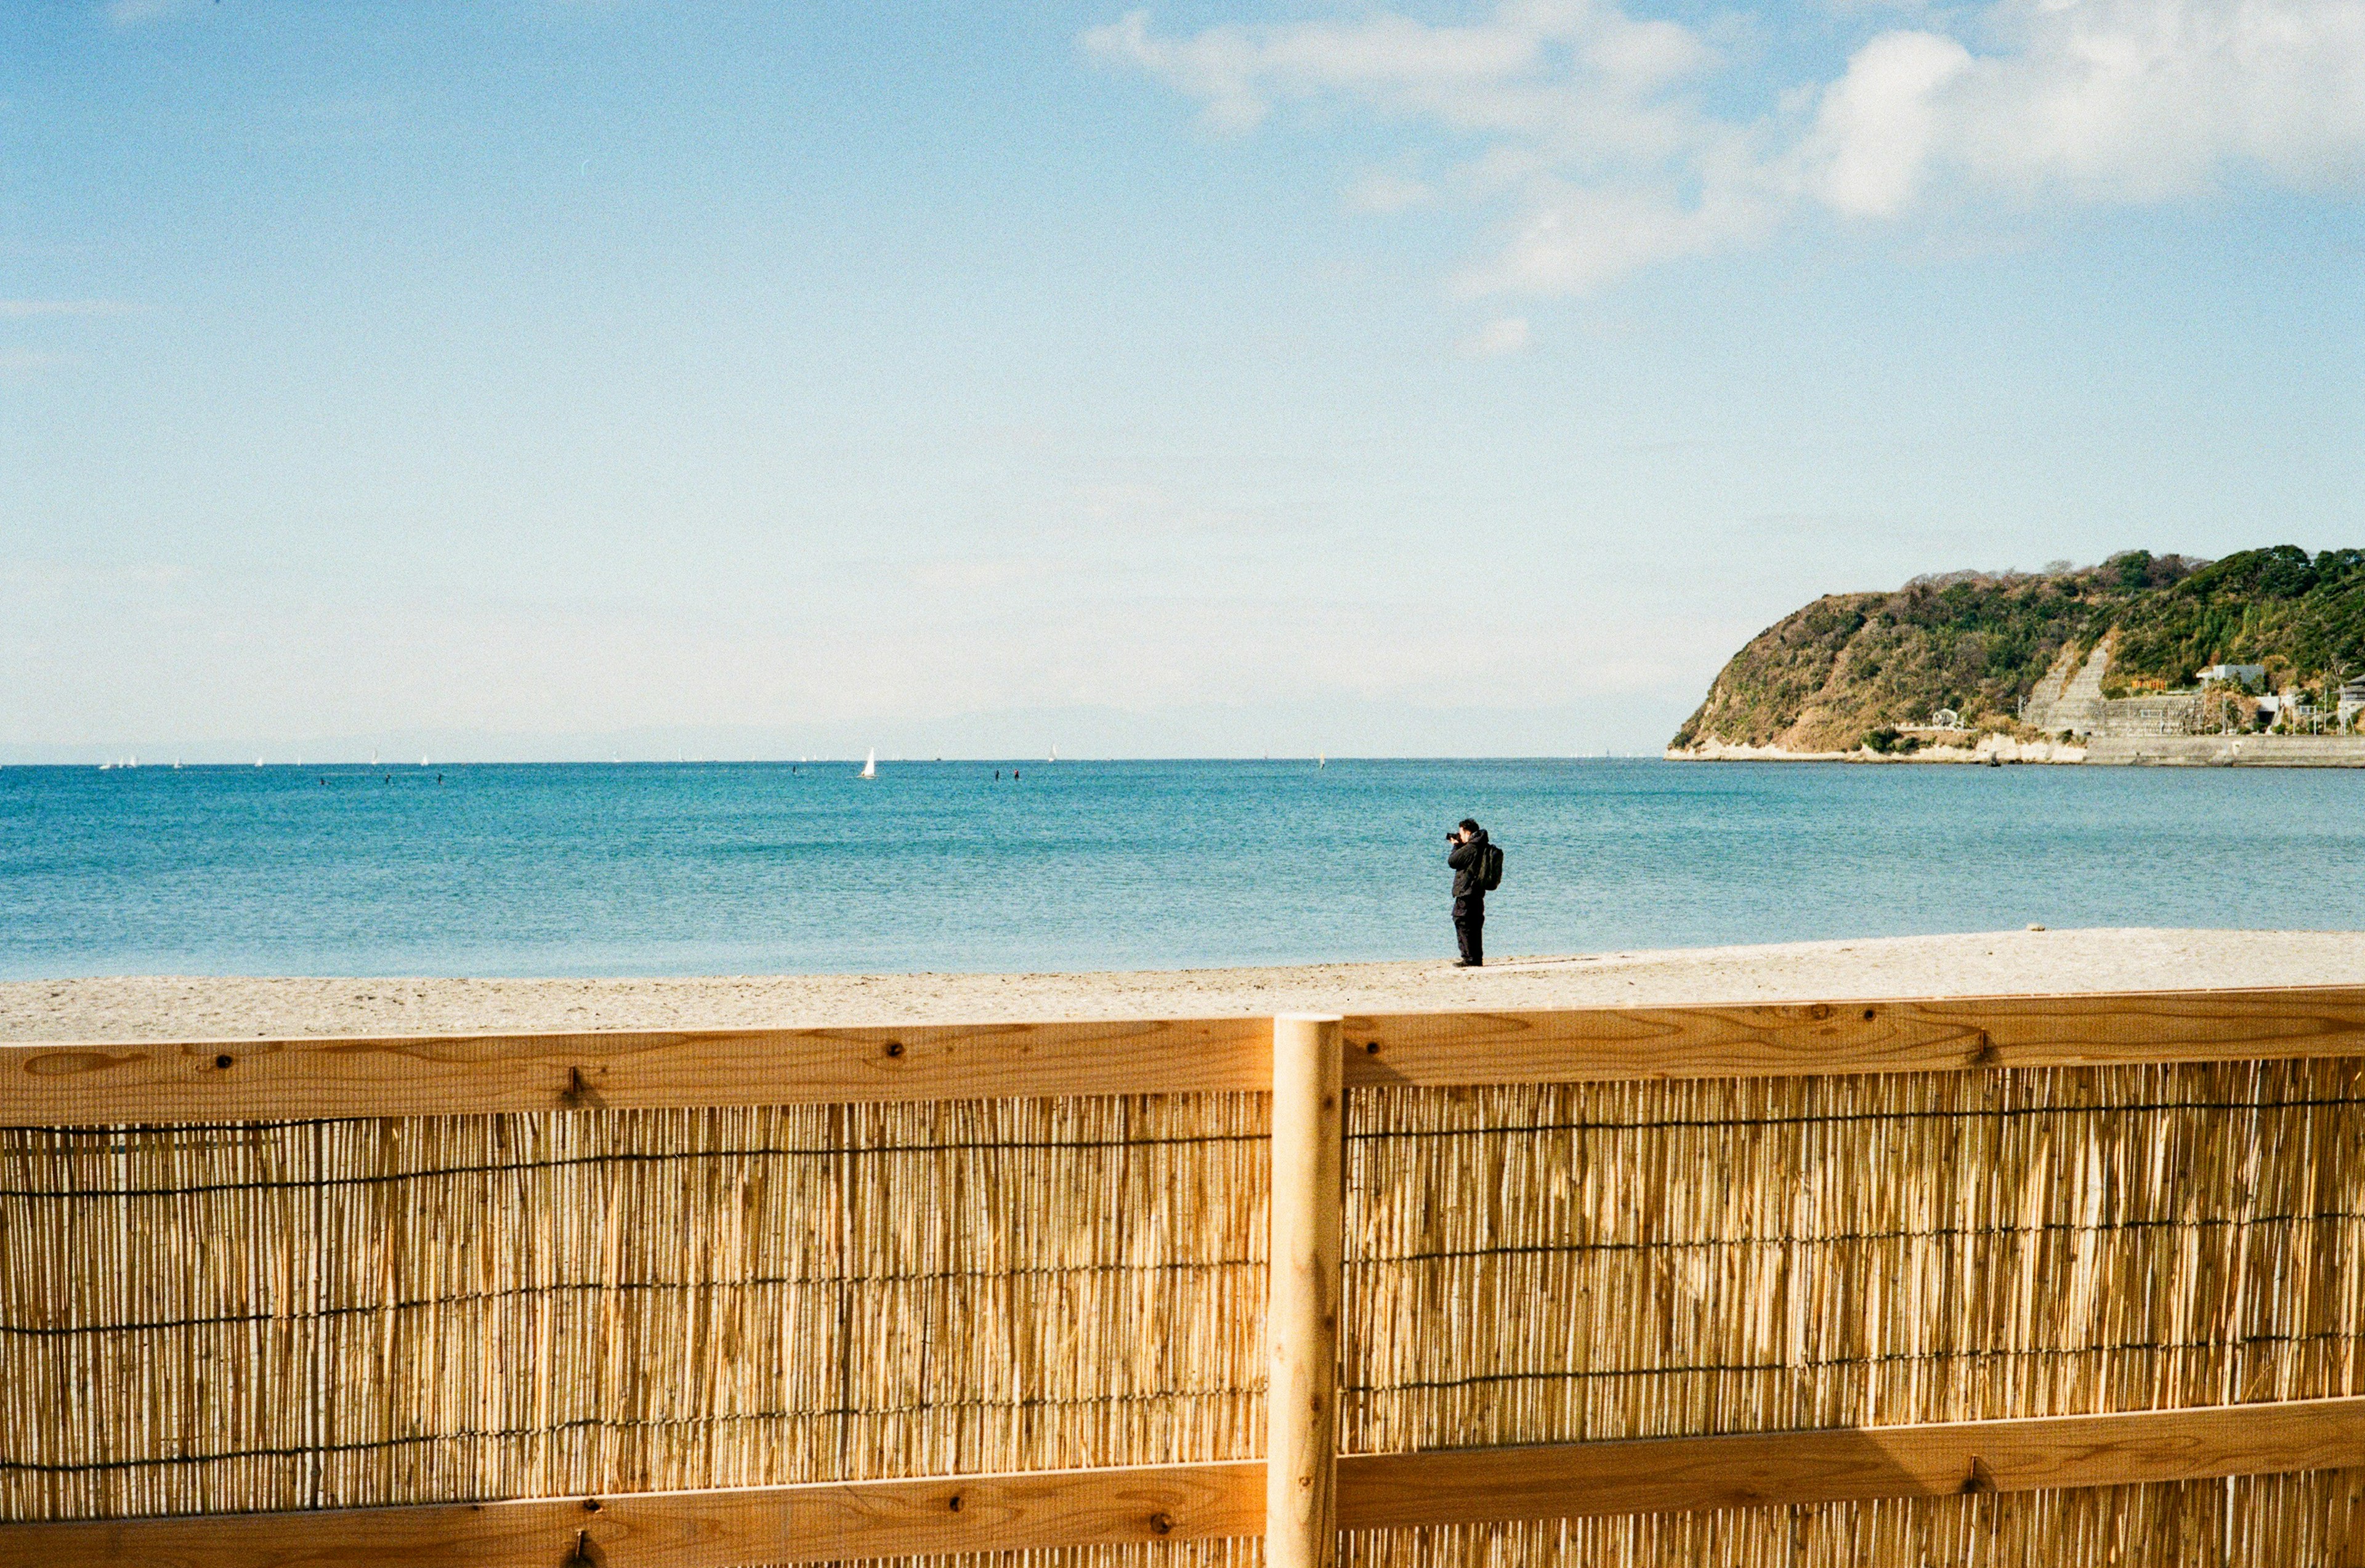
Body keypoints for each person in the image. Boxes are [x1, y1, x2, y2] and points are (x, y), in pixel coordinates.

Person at [1445, 818, 1490, 968]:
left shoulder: (1471, 848)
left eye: (1461, 833)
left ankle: (1469, 959)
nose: (1459, 836)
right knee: (1476, 925)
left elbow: (1453, 861)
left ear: (1468, 832)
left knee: (1462, 922)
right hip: (1478, 891)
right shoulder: (1482, 845)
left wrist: (1456, 846)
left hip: (1466, 891)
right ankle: (1476, 958)